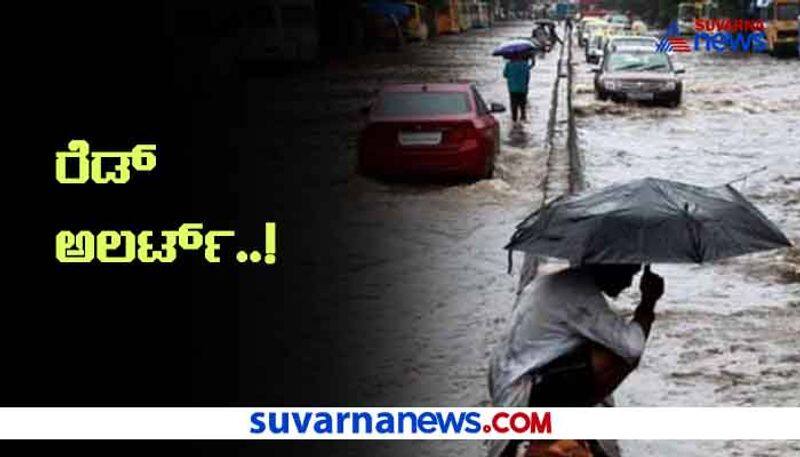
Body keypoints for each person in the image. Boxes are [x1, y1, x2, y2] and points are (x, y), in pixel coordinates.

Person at [488, 264, 665, 457]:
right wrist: (648, 303)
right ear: (611, 267)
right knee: (618, 356)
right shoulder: (580, 294)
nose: (629, 283)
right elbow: (632, 348)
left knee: (603, 343)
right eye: (628, 274)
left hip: (509, 383)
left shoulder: (565, 282)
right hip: (523, 396)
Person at [503, 54, 534, 124]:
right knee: (522, 106)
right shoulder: (525, 64)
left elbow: (505, 75)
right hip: (523, 89)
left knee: (514, 106)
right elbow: (527, 77)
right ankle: (522, 120)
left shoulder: (509, 64)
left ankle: (514, 122)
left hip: (512, 89)